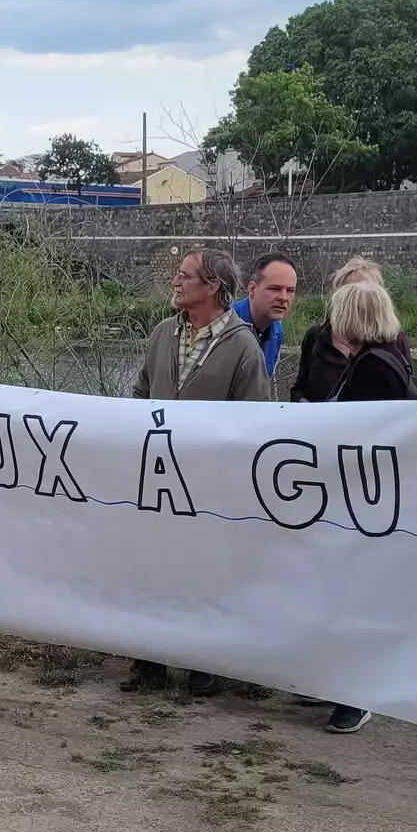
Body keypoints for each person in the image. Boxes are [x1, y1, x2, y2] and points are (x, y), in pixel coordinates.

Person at [123, 248, 272, 697]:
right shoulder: (163, 334)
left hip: (208, 484)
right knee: (154, 568)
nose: (176, 281)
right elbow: (141, 392)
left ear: (212, 288)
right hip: (158, 477)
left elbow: (255, 421)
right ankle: (148, 660)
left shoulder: (244, 347)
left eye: (185, 276)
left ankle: (204, 664)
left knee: (205, 572)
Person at [317, 277, 417, 733]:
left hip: (362, 503)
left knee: (353, 594)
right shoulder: (379, 359)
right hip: (365, 501)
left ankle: (356, 694)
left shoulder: (373, 367)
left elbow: (359, 436)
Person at [290, 257, 415, 403]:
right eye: (349, 294)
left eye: (359, 295)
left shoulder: (384, 355)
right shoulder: (316, 336)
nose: (354, 304)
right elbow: (300, 387)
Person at [231, 252, 298, 381]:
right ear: (252, 290)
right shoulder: (225, 326)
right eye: (274, 289)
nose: (283, 298)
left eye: (290, 291)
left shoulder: (277, 332)